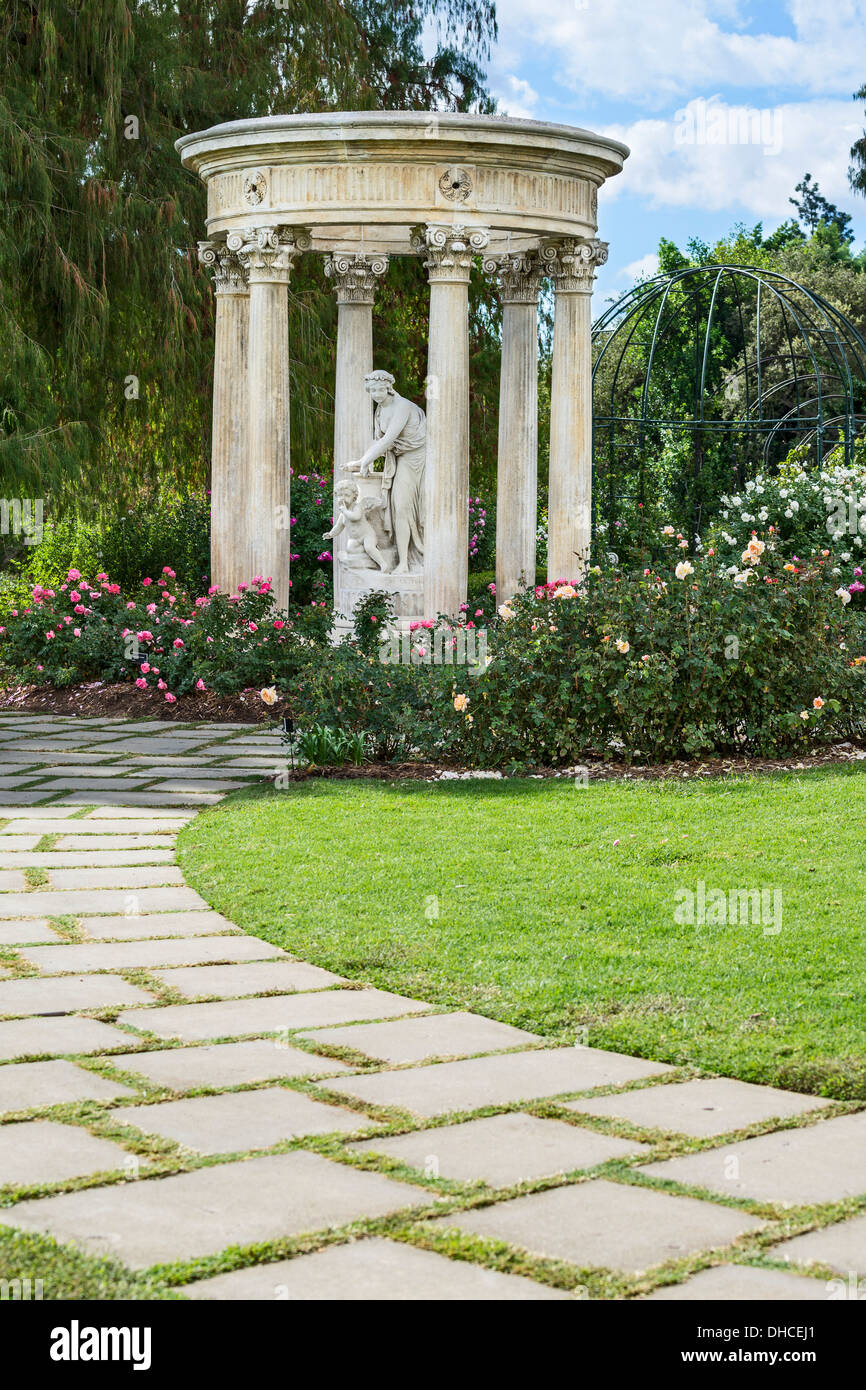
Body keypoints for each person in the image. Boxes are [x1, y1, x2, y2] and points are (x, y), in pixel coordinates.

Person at [344, 369, 425, 573]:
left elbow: (389, 439)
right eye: (372, 390)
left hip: (415, 458)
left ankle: (405, 563)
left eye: (380, 389)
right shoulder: (380, 410)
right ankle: (403, 561)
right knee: (398, 507)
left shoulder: (402, 406)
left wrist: (365, 461)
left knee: (403, 506)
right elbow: (379, 442)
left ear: (389, 388)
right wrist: (362, 461)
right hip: (399, 458)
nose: (376, 394)